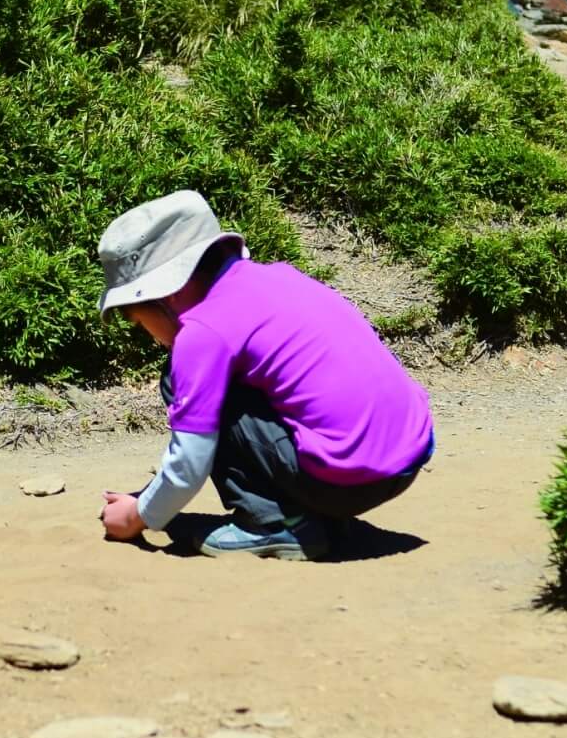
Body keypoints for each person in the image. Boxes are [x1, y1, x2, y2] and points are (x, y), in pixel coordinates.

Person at [95, 191, 434, 562]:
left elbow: (190, 464)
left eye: (138, 320)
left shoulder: (203, 332)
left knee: (178, 379)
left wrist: (137, 515)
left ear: (166, 294)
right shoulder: (278, 277)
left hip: (347, 482)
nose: (150, 337)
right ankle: (312, 516)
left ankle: (273, 524)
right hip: (406, 461)